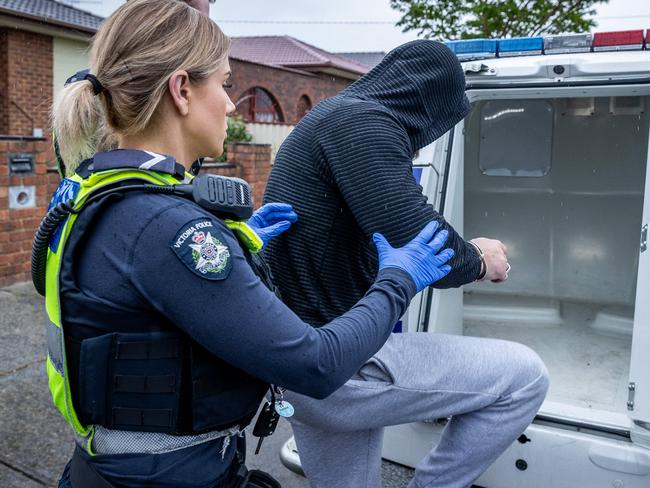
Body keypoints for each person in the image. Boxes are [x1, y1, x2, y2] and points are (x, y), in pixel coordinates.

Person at [42, 2, 456, 487]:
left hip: (112, 470)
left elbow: (131, 296)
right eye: (225, 84)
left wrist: (240, 242)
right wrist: (399, 279)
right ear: (181, 90)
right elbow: (317, 364)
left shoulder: (98, 191)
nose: (232, 104)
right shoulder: (168, 228)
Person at [263, 40, 550, 488]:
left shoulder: (332, 118)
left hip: (305, 362)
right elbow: (421, 241)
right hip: (339, 365)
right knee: (526, 377)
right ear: (429, 102)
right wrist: (479, 258)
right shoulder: (361, 124)